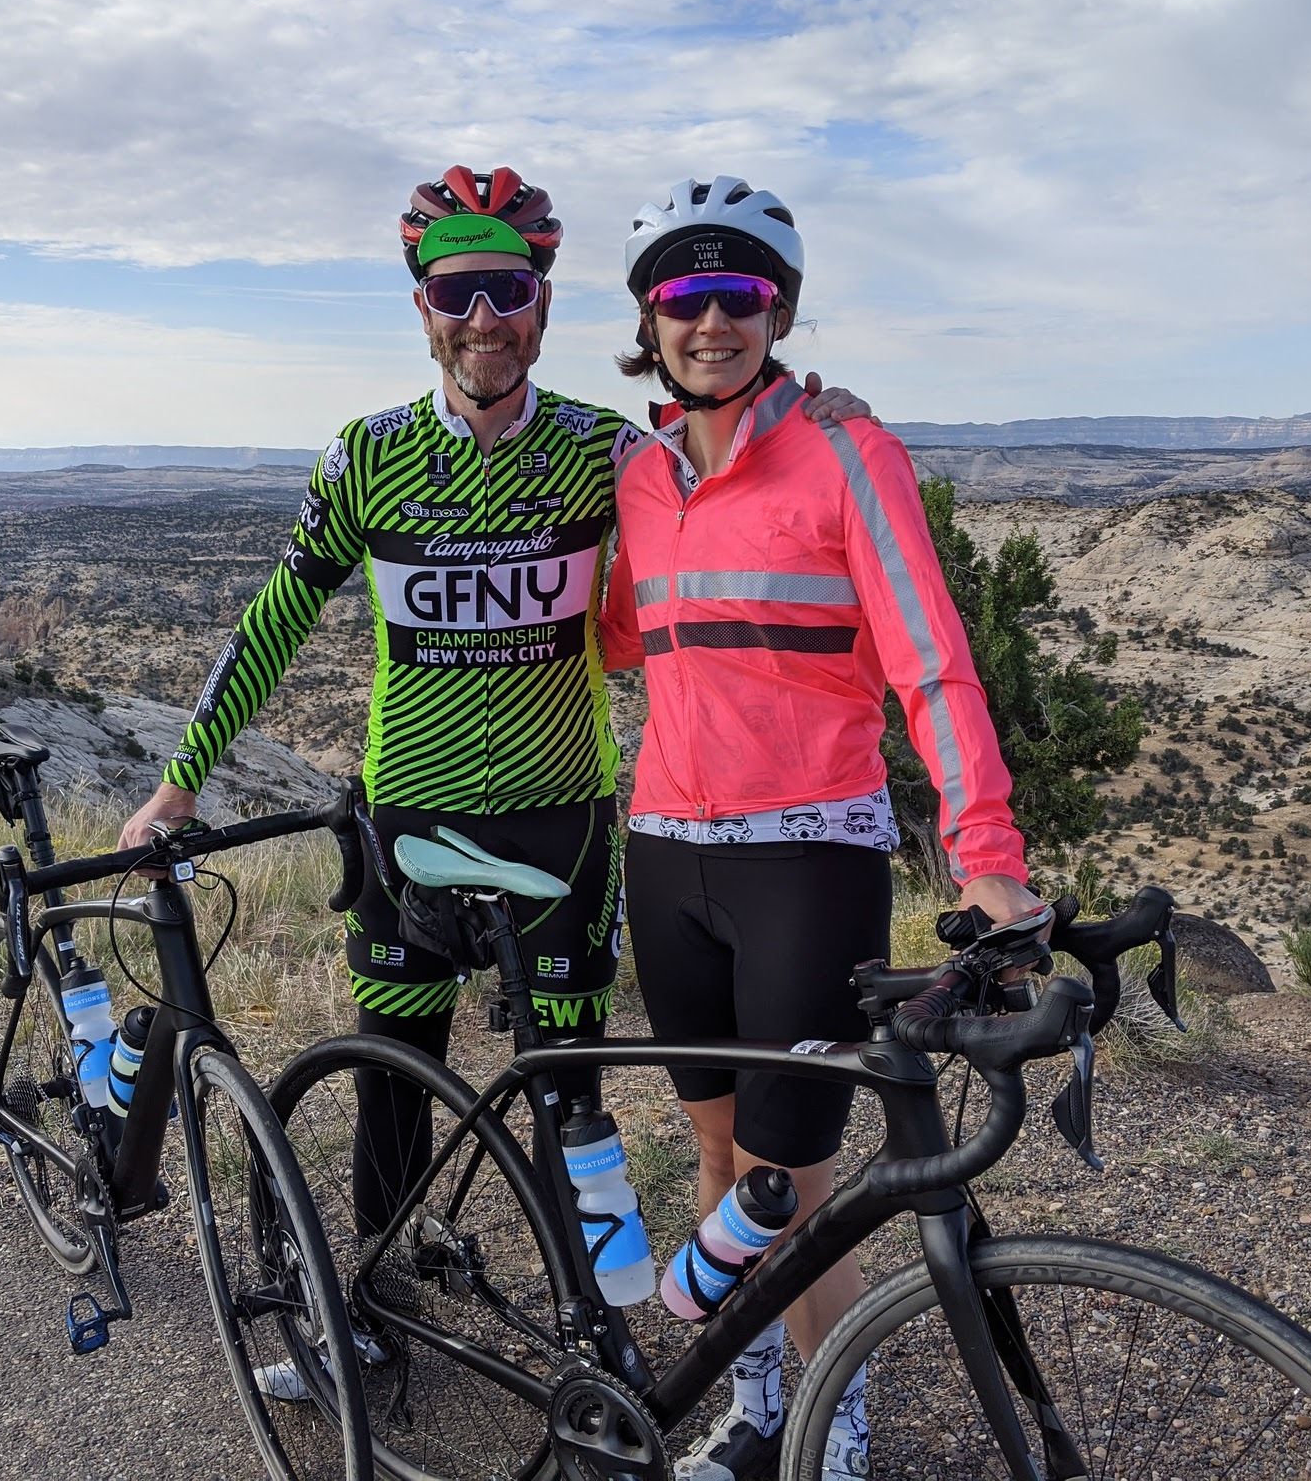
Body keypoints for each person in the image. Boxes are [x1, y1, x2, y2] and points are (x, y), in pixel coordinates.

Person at [117, 168, 869, 1391]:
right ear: (420, 305)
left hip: (557, 828)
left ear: (542, 302)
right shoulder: (365, 457)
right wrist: (180, 781)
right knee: (389, 1078)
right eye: (455, 290)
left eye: (506, 289)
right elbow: (272, 622)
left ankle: (600, 1334)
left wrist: (812, 413)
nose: (482, 317)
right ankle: (367, 1302)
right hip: (406, 821)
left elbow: (734, 485)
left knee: (568, 1099)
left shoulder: (606, 453)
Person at [600, 177, 1050, 1481]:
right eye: (684, 298)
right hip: (665, 852)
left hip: (810, 856)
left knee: (787, 1187)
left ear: (778, 309)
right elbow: (623, 631)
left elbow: (934, 664)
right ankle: (752, 1415)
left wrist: (988, 856)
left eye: (739, 295)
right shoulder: (641, 473)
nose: (711, 322)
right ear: (651, 319)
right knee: (713, 1148)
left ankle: (834, 1441)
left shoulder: (851, 453)